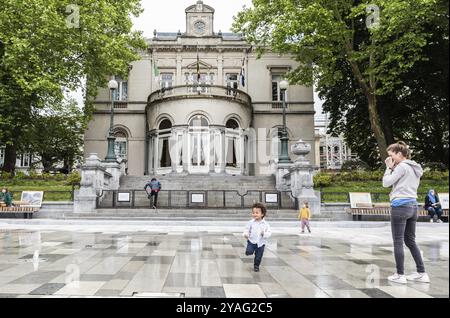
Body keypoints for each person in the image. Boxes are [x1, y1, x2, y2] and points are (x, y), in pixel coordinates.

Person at [382, 141, 430, 284]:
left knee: (398, 241)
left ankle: (400, 274)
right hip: (413, 206)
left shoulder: (402, 167)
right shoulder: (415, 167)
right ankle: (422, 273)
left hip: (400, 206)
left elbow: (386, 183)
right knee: (410, 241)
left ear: (399, 154)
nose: (389, 159)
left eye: (391, 156)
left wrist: (388, 168)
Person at [243, 202, 272, 272]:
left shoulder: (265, 224)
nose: (254, 214)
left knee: (258, 256)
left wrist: (264, 234)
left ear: (262, 214)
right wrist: (245, 234)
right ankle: (249, 251)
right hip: (251, 241)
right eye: (253, 213)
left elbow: (269, 233)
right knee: (249, 251)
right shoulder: (251, 222)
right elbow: (246, 229)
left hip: (261, 243)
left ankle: (256, 266)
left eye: (257, 213)